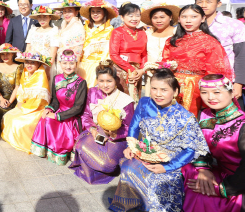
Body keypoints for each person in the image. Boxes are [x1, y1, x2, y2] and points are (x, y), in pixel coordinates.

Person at [109, 69, 209, 212]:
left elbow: (190, 150)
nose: (157, 93)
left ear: (175, 91)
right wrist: (130, 146)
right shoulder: (144, 103)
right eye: (154, 88)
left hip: (172, 159)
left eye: (164, 89)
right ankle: (131, 206)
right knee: (128, 168)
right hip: (147, 152)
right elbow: (134, 127)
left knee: (159, 183)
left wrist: (166, 167)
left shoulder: (185, 117)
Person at [182, 74, 245, 212]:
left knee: (205, 197)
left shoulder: (242, 124)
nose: (210, 97)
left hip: (238, 182)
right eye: (204, 92)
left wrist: (222, 189)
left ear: (232, 92)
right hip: (218, 172)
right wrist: (204, 169)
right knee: (189, 174)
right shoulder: (205, 115)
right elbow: (199, 144)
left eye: (217, 92)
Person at [161, 4, 233, 116]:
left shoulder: (210, 42)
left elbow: (215, 70)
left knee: (189, 119)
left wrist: (207, 91)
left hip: (196, 88)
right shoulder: (172, 41)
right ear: (179, 19)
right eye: (184, 17)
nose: (188, 21)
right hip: (171, 85)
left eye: (194, 17)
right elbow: (165, 62)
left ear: (203, 18)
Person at [70, 60, 134, 184]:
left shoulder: (126, 100)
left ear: (116, 80)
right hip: (96, 132)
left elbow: (129, 127)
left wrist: (114, 134)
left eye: (109, 81)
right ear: (97, 80)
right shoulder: (92, 92)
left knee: (107, 165)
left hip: (116, 138)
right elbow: (86, 115)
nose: (105, 85)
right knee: (81, 146)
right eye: (101, 81)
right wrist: (93, 130)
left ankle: (110, 166)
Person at [30, 50, 87, 165]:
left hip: (71, 117)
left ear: (76, 64)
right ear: (60, 63)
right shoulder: (56, 79)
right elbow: (55, 101)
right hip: (59, 111)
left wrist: (58, 116)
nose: (68, 66)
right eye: (65, 63)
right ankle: (47, 149)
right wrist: (49, 109)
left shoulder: (81, 82)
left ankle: (59, 152)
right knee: (45, 118)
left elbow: (78, 108)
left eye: (71, 63)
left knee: (56, 123)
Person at [196, 0, 245, 101]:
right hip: (197, 80)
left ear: (219, 4)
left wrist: (239, 83)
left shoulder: (233, 25)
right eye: (200, 2)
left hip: (225, 80)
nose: (204, 5)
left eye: (208, 1)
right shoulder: (191, 24)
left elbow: (241, 55)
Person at [2, 52, 51, 153]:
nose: (29, 65)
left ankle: (25, 143)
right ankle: (12, 139)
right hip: (25, 105)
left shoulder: (41, 76)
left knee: (18, 123)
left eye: (32, 62)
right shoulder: (25, 73)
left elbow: (39, 101)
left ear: (38, 64)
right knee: (7, 116)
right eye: (27, 62)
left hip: (36, 109)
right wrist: (20, 102)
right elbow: (21, 91)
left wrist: (23, 107)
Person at [109, 3, 147, 102]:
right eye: (130, 16)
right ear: (122, 17)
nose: (134, 18)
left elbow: (144, 54)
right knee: (121, 99)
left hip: (137, 71)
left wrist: (142, 70)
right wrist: (130, 68)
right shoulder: (117, 32)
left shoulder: (142, 33)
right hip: (120, 69)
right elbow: (113, 54)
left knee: (135, 98)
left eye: (137, 15)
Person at [140, 3, 179, 95]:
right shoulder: (148, 33)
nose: (158, 20)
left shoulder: (176, 33)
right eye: (155, 18)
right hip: (150, 74)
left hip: (170, 75)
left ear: (170, 17)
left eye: (162, 17)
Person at [78, 0, 117, 88]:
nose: (95, 14)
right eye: (93, 12)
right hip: (85, 65)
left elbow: (110, 49)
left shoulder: (110, 29)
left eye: (98, 11)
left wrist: (105, 64)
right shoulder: (84, 28)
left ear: (104, 13)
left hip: (102, 66)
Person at [0, 43, 23, 133]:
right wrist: (1, 99)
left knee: (11, 109)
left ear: (12, 54)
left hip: (13, 98)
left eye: (7, 53)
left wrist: (10, 102)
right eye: (3, 54)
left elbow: (17, 87)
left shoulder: (18, 67)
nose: (5, 56)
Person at [25, 5, 60, 77]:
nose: (42, 19)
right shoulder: (32, 30)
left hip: (46, 64)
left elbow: (53, 53)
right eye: (40, 17)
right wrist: (26, 64)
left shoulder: (54, 31)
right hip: (32, 64)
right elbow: (28, 49)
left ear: (50, 17)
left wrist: (48, 69)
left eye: (45, 17)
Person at [51, 0, 85, 68]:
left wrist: (74, 67)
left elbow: (78, 50)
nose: (66, 14)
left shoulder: (78, 27)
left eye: (70, 11)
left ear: (76, 12)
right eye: (64, 11)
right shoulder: (64, 24)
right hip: (61, 62)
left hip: (70, 65)